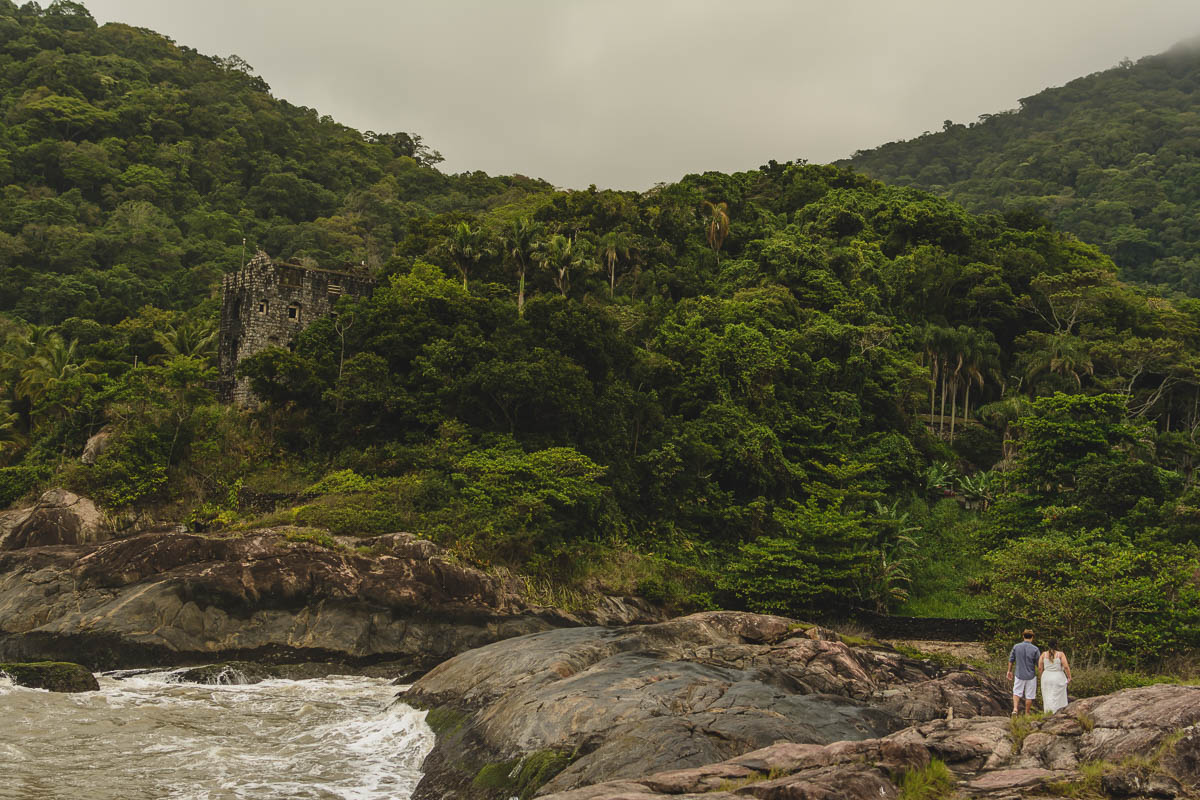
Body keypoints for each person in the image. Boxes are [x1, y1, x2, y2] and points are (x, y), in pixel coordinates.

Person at [1007, 629, 1039, 715]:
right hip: (1031, 675)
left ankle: (1015, 709)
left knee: (1016, 692)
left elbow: (1011, 660)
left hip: (1019, 673)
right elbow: (1038, 663)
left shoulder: (1016, 646)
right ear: (1032, 637)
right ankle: (1027, 713)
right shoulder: (1035, 649)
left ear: (1023, 636)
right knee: (1029, 695)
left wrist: (1009, 671)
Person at [1038, 638, 1071, 713]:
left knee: (1047, 695)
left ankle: (1048, 712)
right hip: (1058, 676)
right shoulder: (1060, 654)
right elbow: (1066, 666)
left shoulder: (1043, 654)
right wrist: (1069, 676)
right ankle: (1058, 712)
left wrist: (1041, 676)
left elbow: (1040, 668)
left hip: (1046, 676)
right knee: (1058, 696)